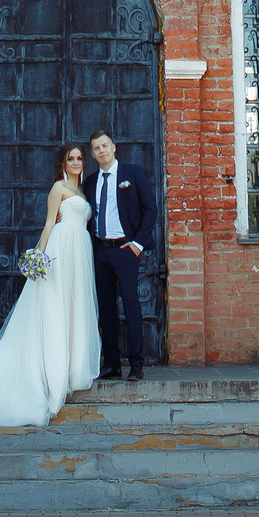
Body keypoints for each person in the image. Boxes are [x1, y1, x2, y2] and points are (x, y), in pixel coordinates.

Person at [0, 143, 101, 428]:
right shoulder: (59, 189)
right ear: (63, 163)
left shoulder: (81, 191)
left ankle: (70, 368)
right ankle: (49, 372)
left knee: (74, 308)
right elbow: (49, 223)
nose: (76, 162)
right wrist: (40, 256)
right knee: (55, 308)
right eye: (70, 158)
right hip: (61, 250)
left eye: (79, 158)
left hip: (80, 252)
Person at [84, 129, 156, 382]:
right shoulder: (91, 182)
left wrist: (138, 242)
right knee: (106, 308)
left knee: (131, 303)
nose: (101, 150)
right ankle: (111, 363)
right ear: (93, 154)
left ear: (114, 148)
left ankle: (136, 364)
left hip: (126, 249)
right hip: (101, 250)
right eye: (96, 148)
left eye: (105, 145)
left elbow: (151, 209)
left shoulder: (132, 174)